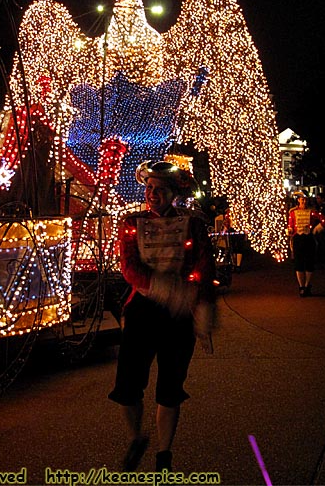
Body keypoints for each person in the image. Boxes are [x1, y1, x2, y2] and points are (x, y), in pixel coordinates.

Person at [108, 160, 217, 473]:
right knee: (128, 386)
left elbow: (206, 267)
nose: (151, 194)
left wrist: (203, 313)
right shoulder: (132, 221)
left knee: (170, 387)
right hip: (143, 310)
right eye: (148, 188)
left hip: (180, 314)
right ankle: (135, 439)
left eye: (159, 189)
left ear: (172, 193)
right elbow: (129, 268)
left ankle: (163, 456)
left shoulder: (193, 224)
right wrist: (163, 288)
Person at [287, 191, 325, 296]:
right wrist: (290, 230)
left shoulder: (312, 212)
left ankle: (307, 285)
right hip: (297, 239)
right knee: (299, 262)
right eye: (302, 199)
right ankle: (301, 286)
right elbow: (290, 225)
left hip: (308, 239)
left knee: (309, 262)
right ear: (298, 200)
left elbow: (324, 220)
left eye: (305, 199)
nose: (303, 201)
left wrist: (316, 229)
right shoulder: (292, 212)